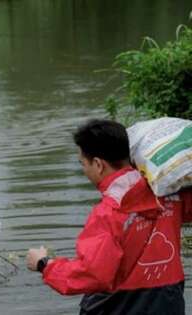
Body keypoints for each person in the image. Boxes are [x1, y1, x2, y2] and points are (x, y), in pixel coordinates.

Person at [26, 119, 192, 314]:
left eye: (83, 164)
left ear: (98, 164)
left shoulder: (108, 213)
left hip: (117, 305)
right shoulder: (166, 194)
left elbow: (92, 275)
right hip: (168, 300)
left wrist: (45, 264)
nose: (84, 171)